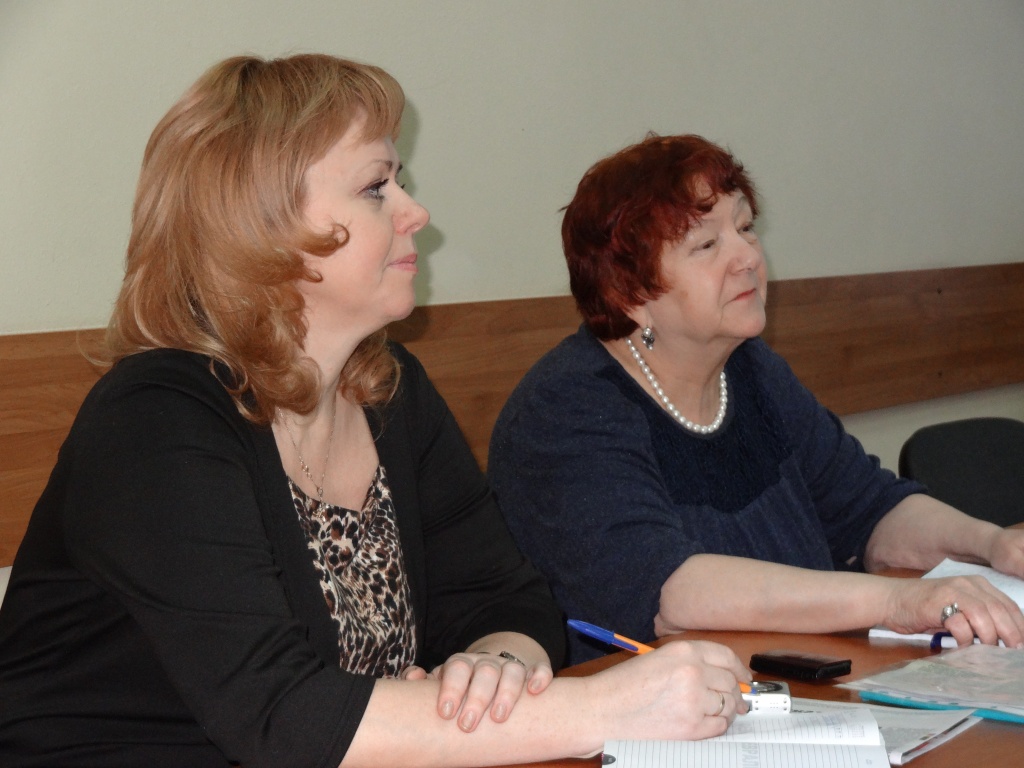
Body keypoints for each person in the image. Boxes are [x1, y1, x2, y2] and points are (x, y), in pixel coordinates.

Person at [0, 59, 753, 767]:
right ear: (258, 225)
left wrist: (494, 668)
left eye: (401, 183)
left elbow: (507, 599)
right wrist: (600, 709)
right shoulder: (156, 420)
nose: (416, 211)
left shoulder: (390, 390)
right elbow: (281, 715)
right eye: (375, 188)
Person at [488, 133, 1024, 665]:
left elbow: (870, 509)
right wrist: (897, 601)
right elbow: (670, 592)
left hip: (806, 679)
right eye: (706, 245)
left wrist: (993, 545)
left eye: (745, 227)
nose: (747, 255)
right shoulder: (565, 410)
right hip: (661, 706)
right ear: (630, 293)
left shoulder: (750, 368)